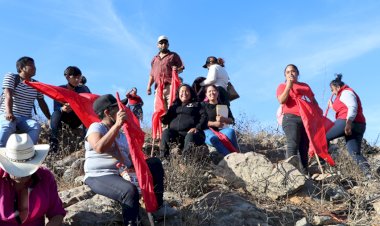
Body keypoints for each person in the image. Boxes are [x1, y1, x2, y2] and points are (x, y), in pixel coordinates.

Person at [84, 94, 177, 226]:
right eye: (118, 108)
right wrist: (117, 125)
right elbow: (99, 147)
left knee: (154, 163)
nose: (123, 110)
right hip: (99, 175)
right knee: (129, 191)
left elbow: (129, 157)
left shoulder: (122, 135)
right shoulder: (96, 127)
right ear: (107, 112)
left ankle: (157, 207)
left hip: (121, 172)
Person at [0, 133, 66, 225]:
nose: (21, 175)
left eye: (26, 171)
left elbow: (56, 213)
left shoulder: (45, 177)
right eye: (15, 169)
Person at [276, 64, 319, 174]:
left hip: (306, 120)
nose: (291, 73)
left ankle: (305, 173)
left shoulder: (305, 86)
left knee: (304, 147)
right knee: (293, 143)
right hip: (291, 118)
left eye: (293, 71)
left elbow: (313, 102)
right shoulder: (282, 86)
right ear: (285, 75)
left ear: (297, 73)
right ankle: (290, 173)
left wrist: (318, 114)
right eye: (288, 72)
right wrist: (288, 86)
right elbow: (282, 101)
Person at [0, 56, 51, 147]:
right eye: (31, 65)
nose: (34, 68)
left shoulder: (36, 84)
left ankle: (26, 150)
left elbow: (41, 102)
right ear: (21, 68)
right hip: (6, 113)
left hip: (25, 118)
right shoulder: (11, 77)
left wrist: (49, 118)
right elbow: (8, 95)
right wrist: (9, 112)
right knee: (8, 125)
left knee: (35, 126)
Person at [327, 74, 371, 178]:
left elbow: (352, 107)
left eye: (332, 90)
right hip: (359, 124)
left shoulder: (346, 92)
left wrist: (348, 123)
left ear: (337, 87)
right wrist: (333, 106)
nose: (332, 93)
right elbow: (344, 107)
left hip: (347, 121)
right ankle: (369, 175)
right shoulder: (343, 94)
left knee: (323, 135)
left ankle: (327, 163)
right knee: (355, 153)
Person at [49, 66, 91, 152]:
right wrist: (62, 108)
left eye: (79, 77)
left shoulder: (84, 89)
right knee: (56, 114)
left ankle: (87, 142)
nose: (77, 80)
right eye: (75, 77)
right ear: (67, 77)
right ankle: (53, 144)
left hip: (77, 118)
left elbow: (89, 103)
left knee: (87, 113)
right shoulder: (60, 89)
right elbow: (56, 107)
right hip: (63, 119)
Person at [160, 84, 207, 157]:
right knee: (166, 132)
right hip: (176, 136)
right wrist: (162, 115)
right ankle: (164, 158)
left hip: (193, 134)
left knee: (190, 135)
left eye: (186, 91)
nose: (184, 93)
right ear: (178, 94)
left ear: (191, 93)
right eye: (182, 91)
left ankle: (186, 160)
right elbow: (166, 121)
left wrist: (197, 128)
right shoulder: (174, 107)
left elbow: (204, 117)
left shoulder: (198, 105)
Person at [146, 35, 185, 110]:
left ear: (168, 45)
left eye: (165, 43)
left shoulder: (173, 55)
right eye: (161, 43)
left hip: (170, 86)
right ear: (158, 45)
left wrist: (177, 70)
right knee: (159, 111)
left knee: (172, 108)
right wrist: (149, 86)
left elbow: (182, 67)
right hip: (158, 88)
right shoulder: (154, 59)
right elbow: (152, 74)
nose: (163, 44)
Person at [202, 85, 239, 156]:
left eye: (214, 91)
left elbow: (232, 120)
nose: (212, 93)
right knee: (215, 139)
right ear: (206, 94)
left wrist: (224, 119)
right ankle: (229, 157)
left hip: (222, 130)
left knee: (231, 131)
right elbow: (200, 121)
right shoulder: (203, 106)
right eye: (209, 91)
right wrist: (214, 124)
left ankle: (236, 153)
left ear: (218, 92)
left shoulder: (224, 106)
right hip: (207, 130)